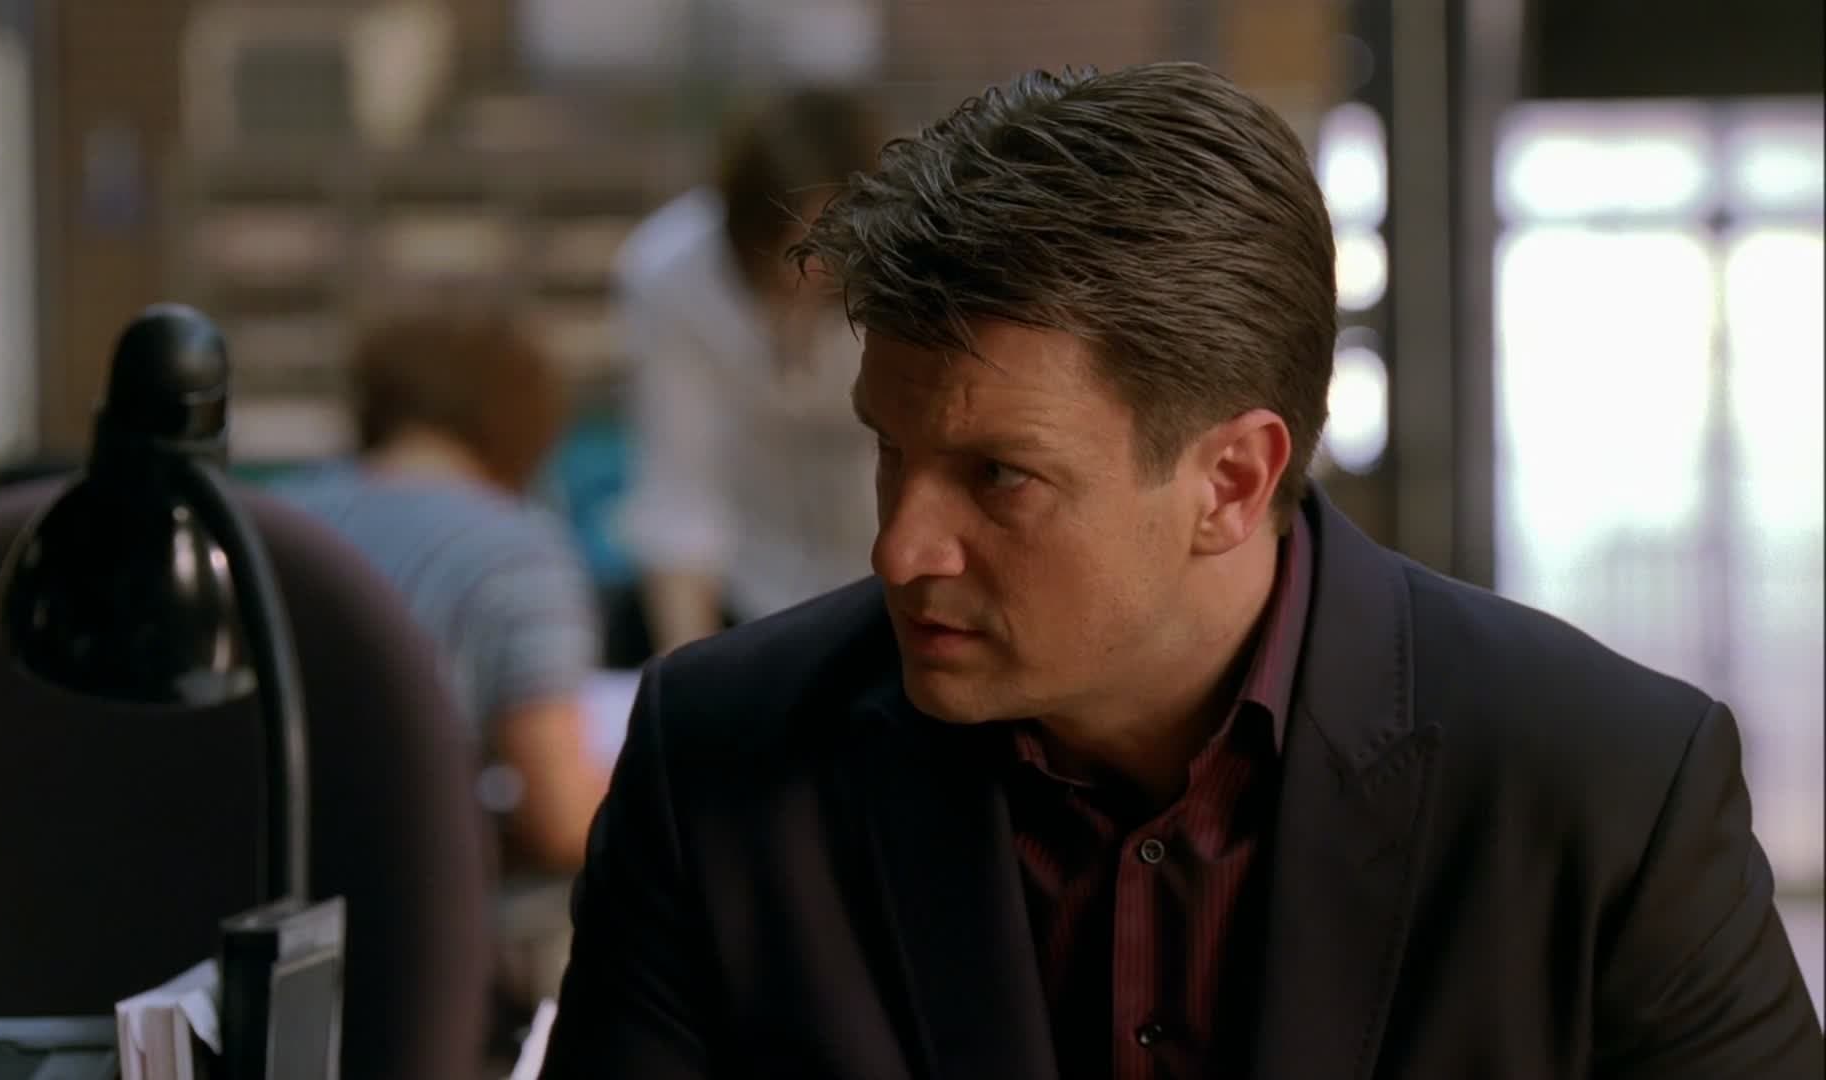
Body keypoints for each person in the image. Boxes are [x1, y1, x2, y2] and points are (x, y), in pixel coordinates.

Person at [540, 63, 1824, 1080]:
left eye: (1000, 476)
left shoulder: (1603, 787)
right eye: (891, 452)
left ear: (1231, 482)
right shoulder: (719, 765)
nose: (900, 550)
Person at [278, 307, 610, 875]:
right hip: (404, 891)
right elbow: (560, 819)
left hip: (256, 876)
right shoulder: (516, 550)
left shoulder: (277, 515)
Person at [611, 86, 887, 658]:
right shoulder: (670, 272)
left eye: (831, 247)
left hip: (883, 576)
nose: (810, 271)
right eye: (789, 249)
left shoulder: (907, 267)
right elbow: (680, 492)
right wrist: (689, 675)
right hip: (748, 579)